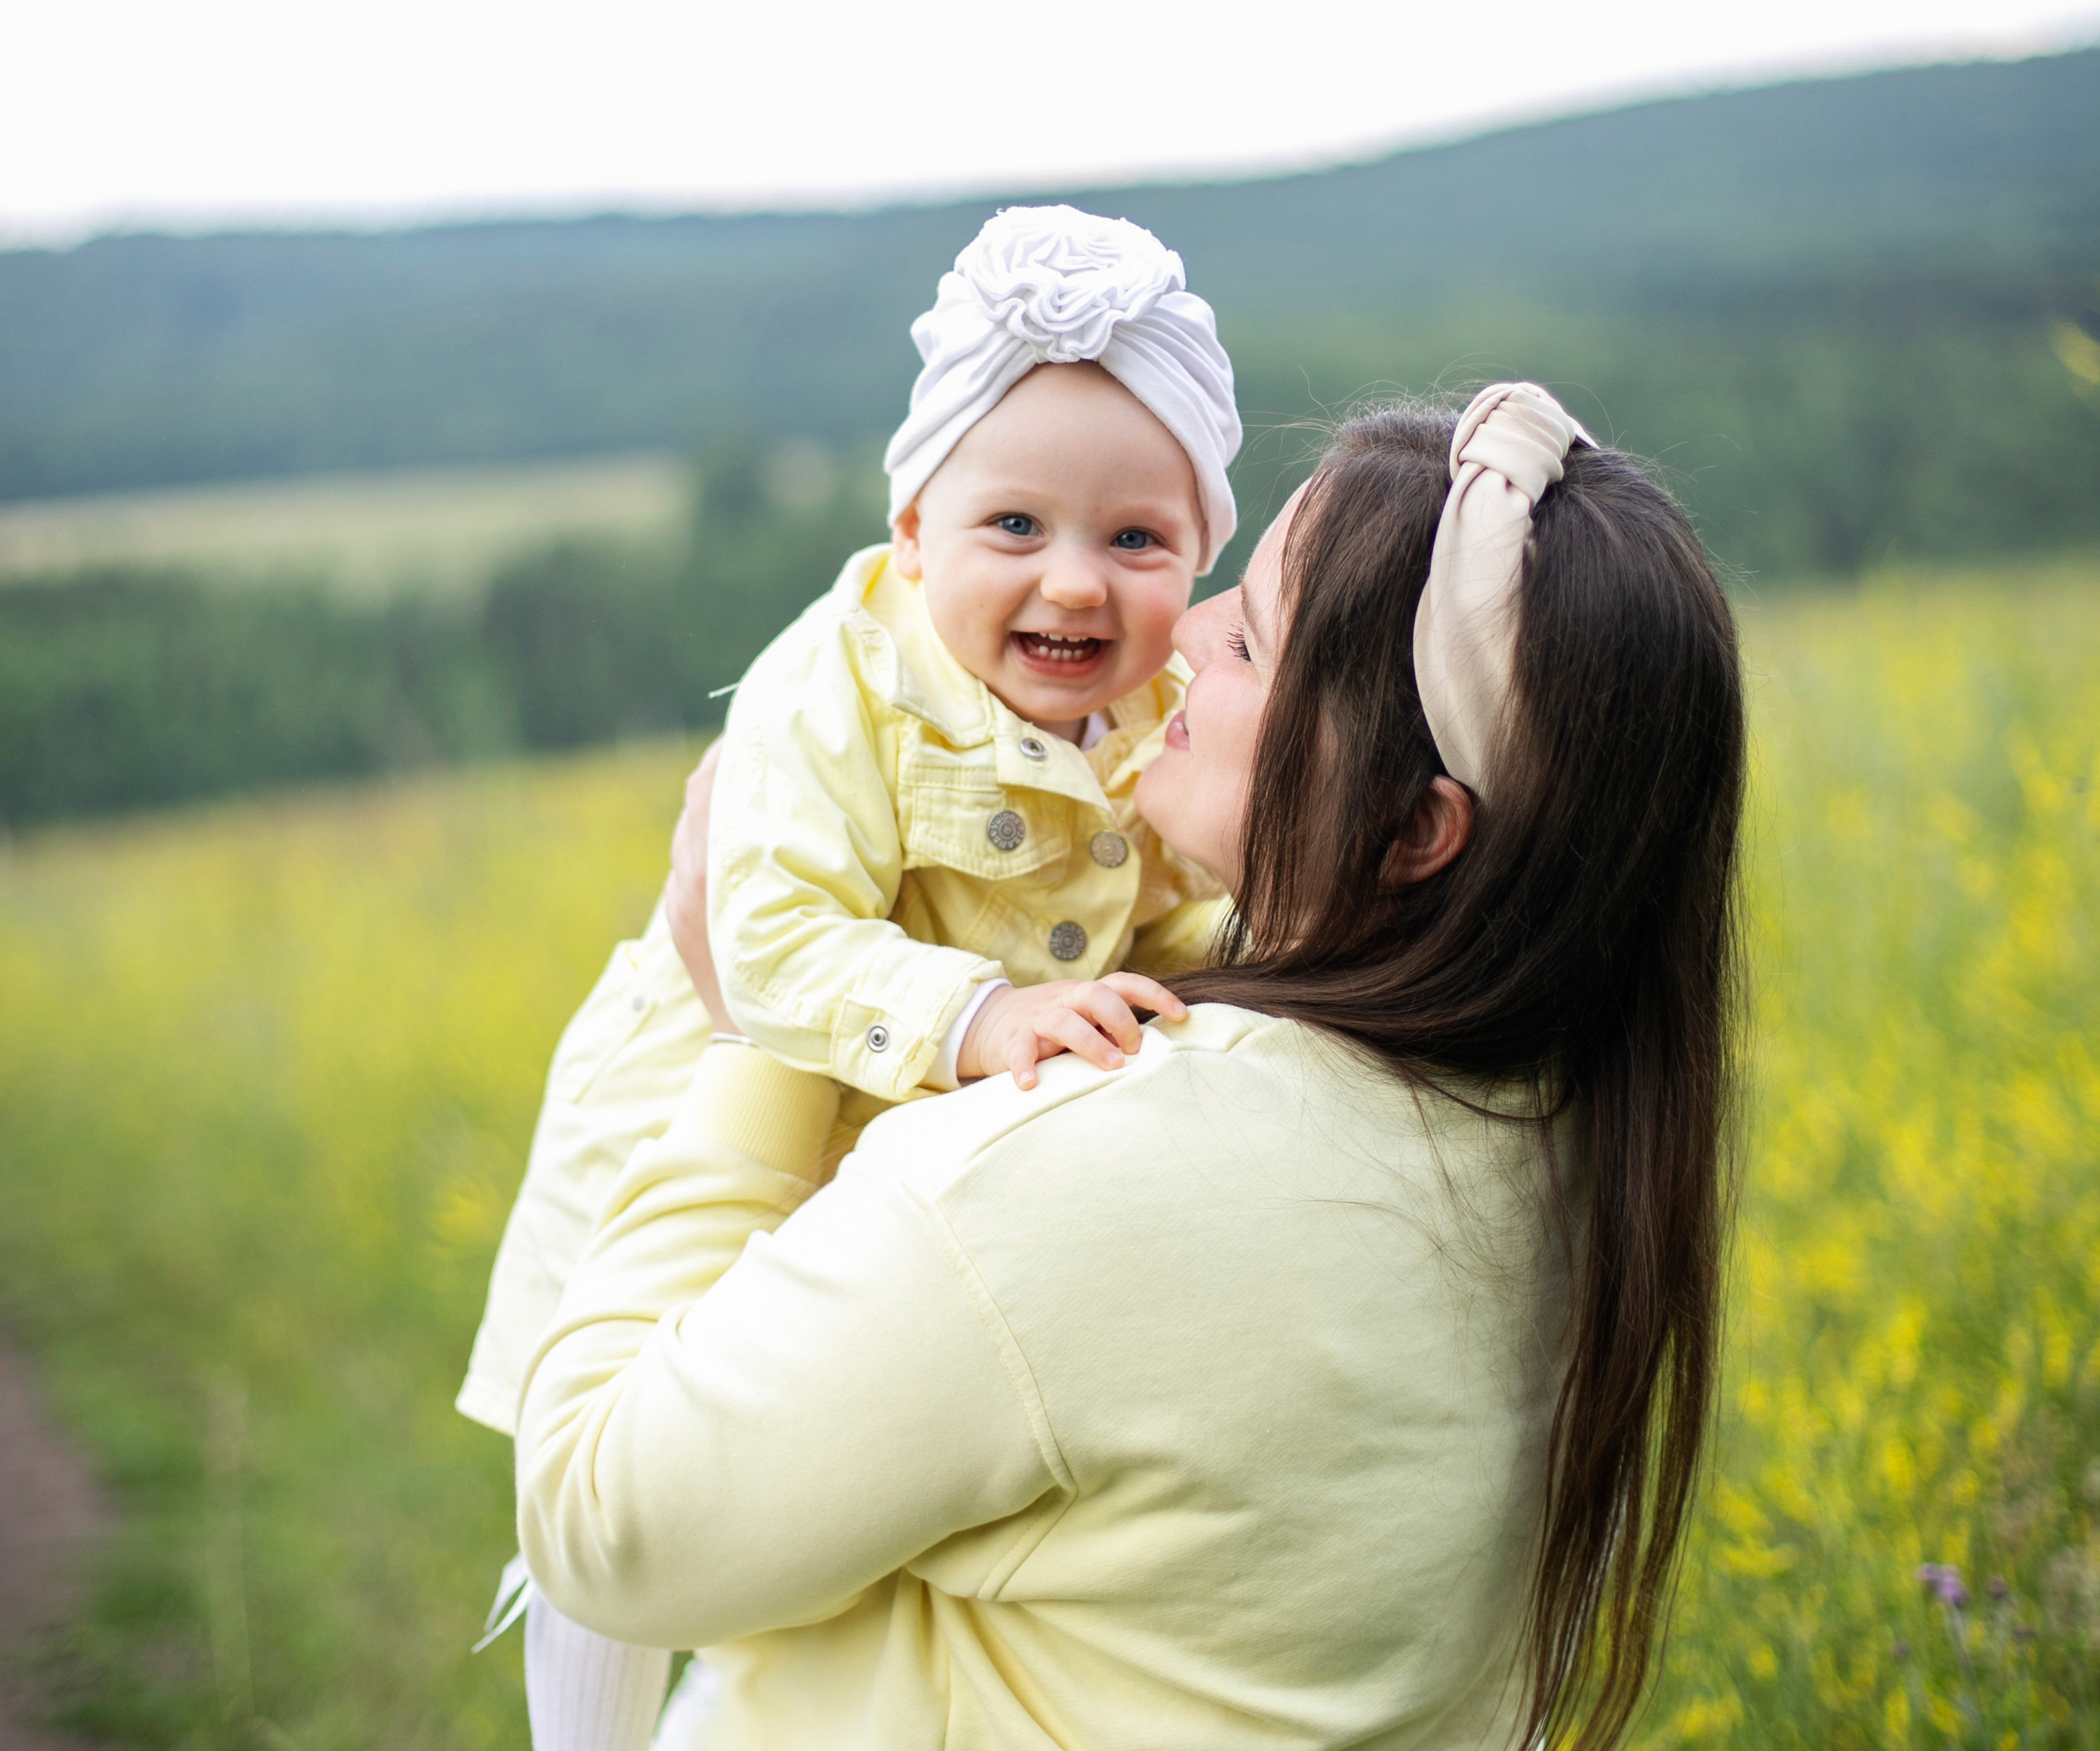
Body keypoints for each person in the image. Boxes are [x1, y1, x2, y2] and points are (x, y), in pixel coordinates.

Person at [516, 383, 1749, 1751]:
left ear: (1413, 830)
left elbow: (598, 1527)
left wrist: (753, 1040)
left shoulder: (1066, 1169)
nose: (1193, 628)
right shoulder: (1575, 1130)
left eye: (1255, 641)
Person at [459, 203, 1243, 1748]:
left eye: (1135, 541)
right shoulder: (844, 680)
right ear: (914, 530)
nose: (1074, 584)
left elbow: (1161, 914)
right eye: (1013, 528)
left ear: (1200, 553)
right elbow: (764, 934)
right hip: (699, 1109)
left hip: (891, 1164)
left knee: (793, 1503)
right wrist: (982, 1015)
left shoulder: (1163, 711)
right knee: (613, 1505)